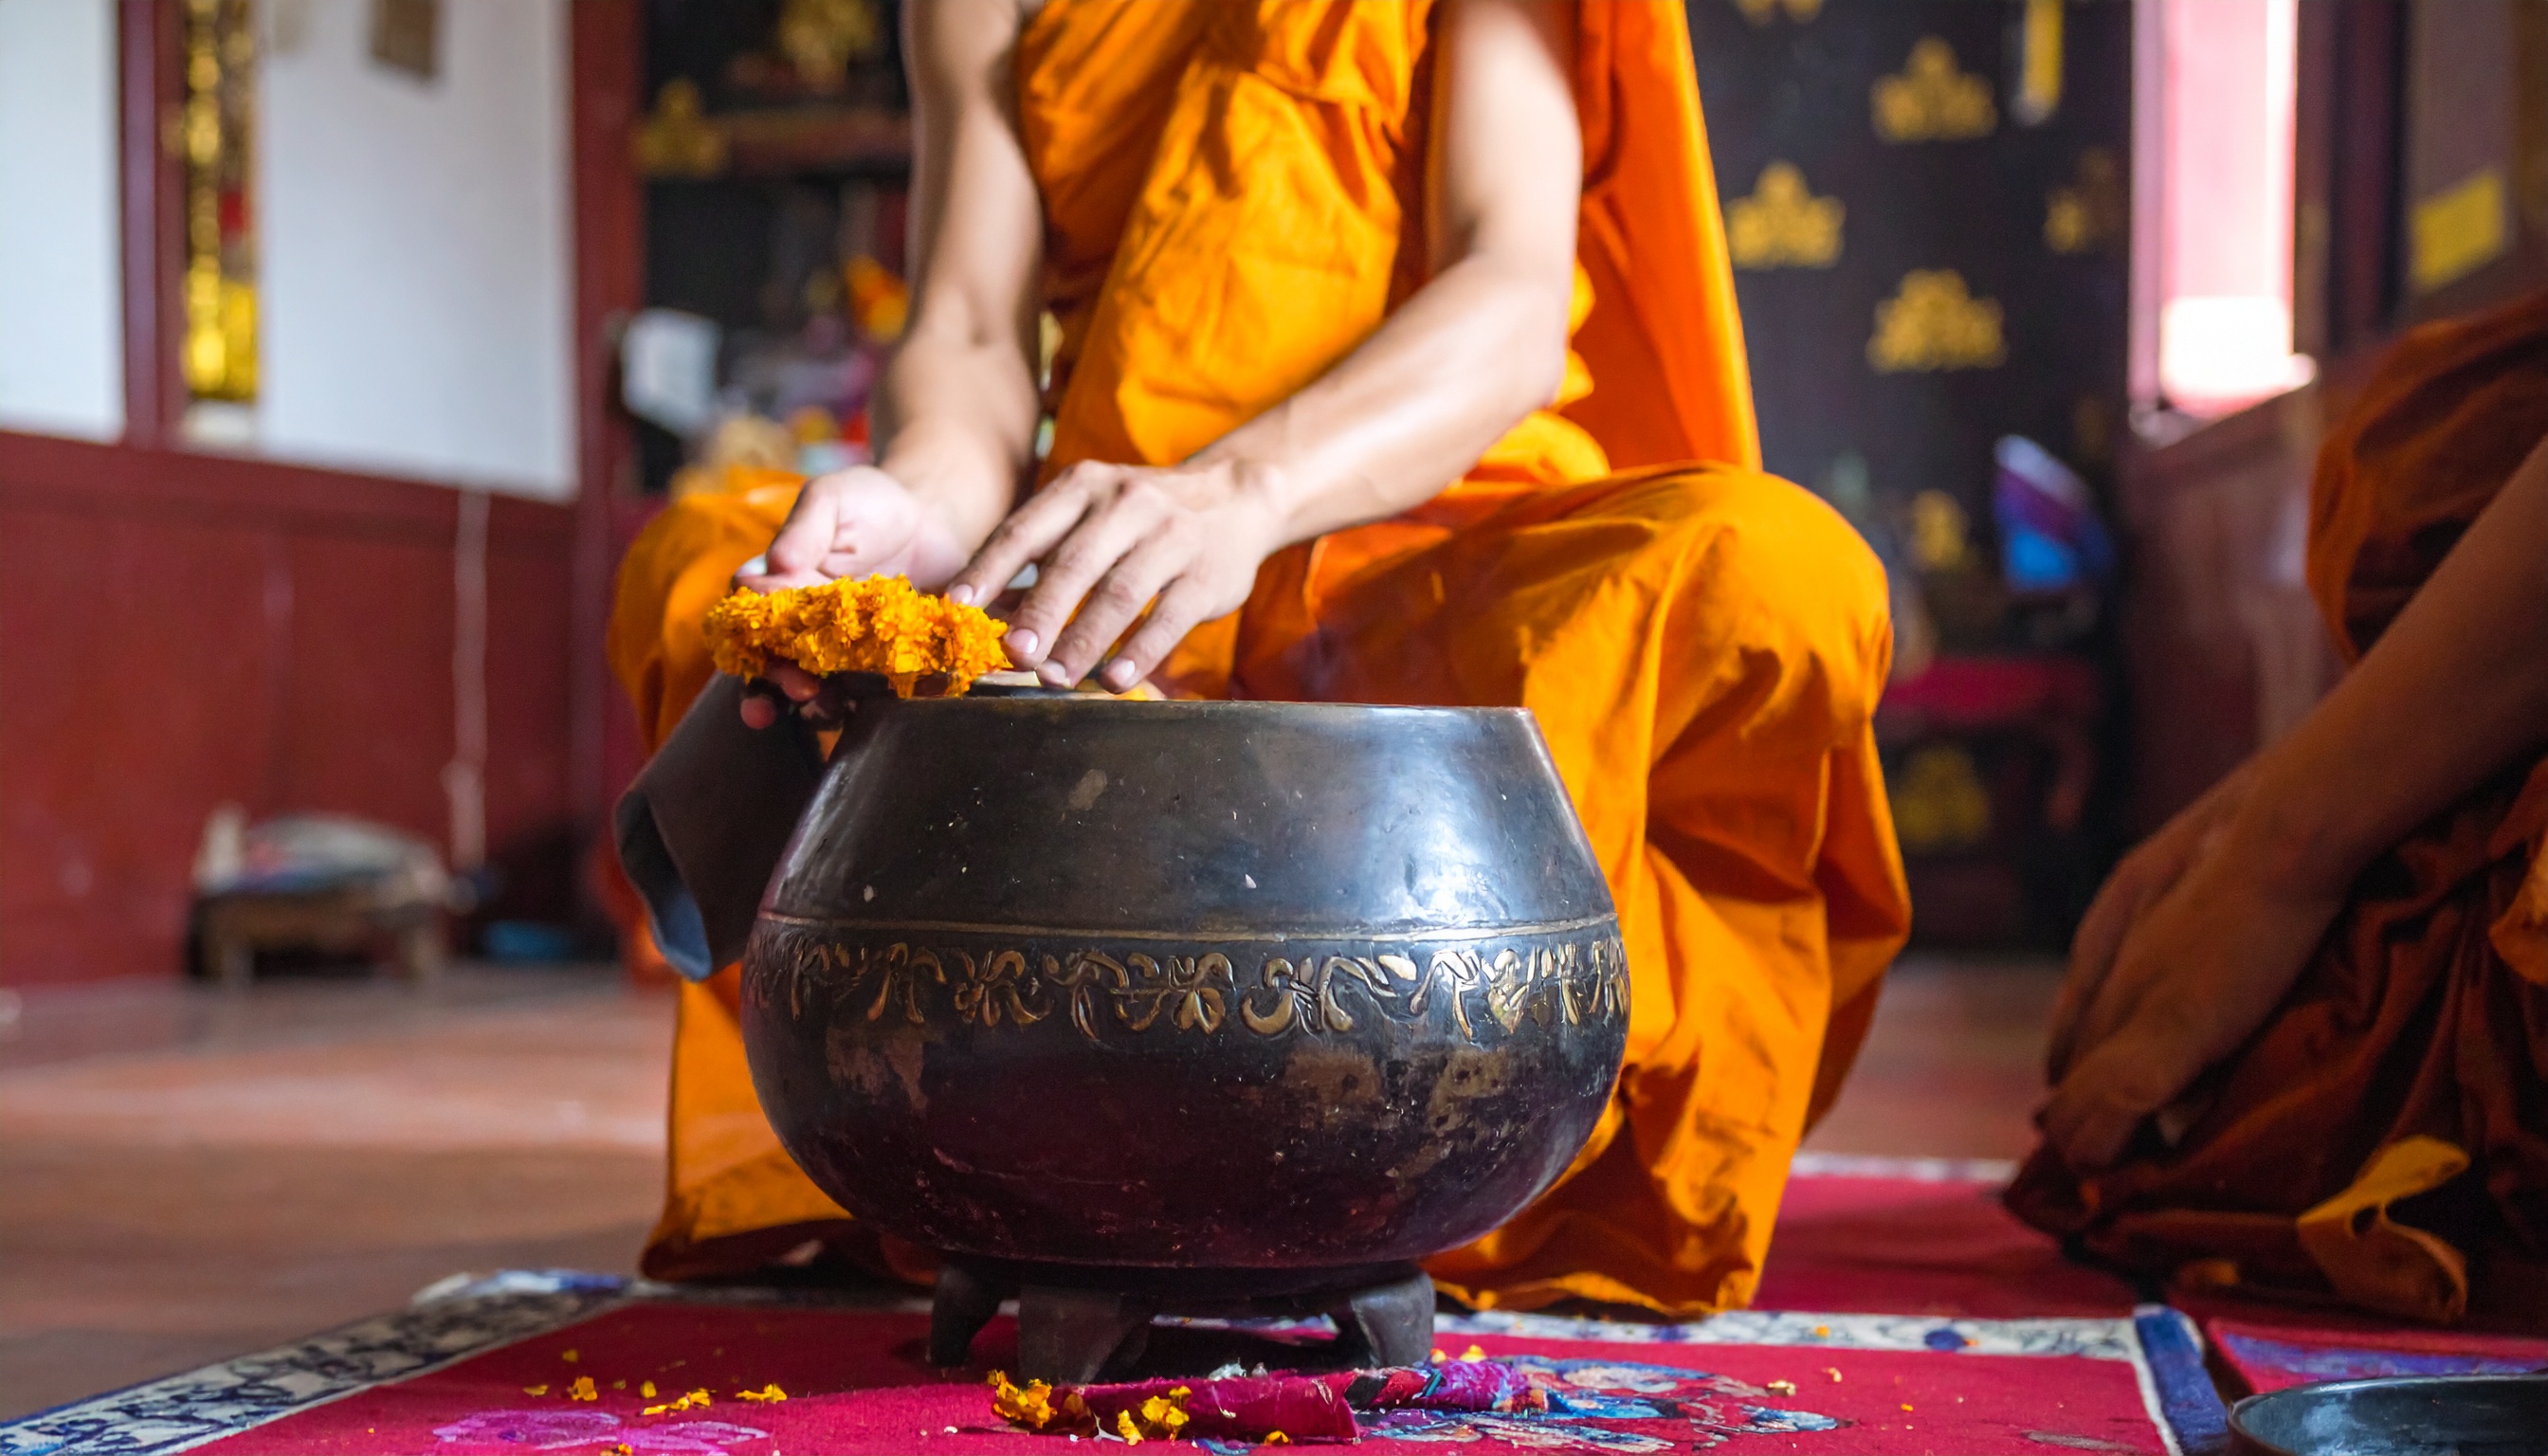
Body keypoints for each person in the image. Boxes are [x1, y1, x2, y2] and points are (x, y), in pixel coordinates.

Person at [609, 0, 1909, 1314]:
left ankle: (1492, 1165)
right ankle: (985, 1141)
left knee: (1769, 571)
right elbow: (970, 333)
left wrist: (1244, 490)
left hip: (1424, 551)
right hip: (1109, 571)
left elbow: (1508, 291)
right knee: (708, 565)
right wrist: (921, 508)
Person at [2010, 289, 2548, 1325]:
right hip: (2445, 759)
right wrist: (2266, 814)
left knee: (2297, 1118)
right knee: (2430, 441)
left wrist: (2282, 855)